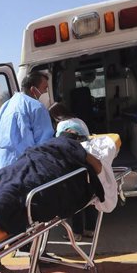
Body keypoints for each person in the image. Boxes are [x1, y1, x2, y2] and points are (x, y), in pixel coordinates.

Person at [0, 71, 54, 178]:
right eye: (45, 88)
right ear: (33, 90)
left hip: (2, 165)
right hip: (24, 167)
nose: (46, 92)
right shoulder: (37, 107)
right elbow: (44, 143)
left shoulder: (6, 105)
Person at [50, 102, 96, 241]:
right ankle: (90, 229)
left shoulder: (62, 126)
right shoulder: (80, 121)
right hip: (87, 159)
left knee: (76, 199)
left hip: (73, 163)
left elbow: (61, 144)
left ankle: (76, 233)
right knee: (89, 197)